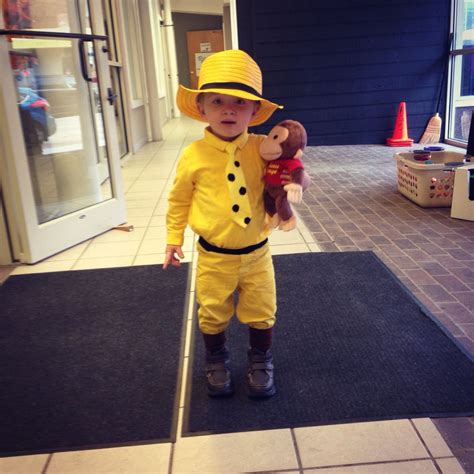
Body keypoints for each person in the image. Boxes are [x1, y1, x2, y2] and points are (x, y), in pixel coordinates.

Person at [163, 49, 295, 399]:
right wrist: (173, 238)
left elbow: (288, 168)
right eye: (218, 101)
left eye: (240, 103)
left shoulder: (261, 148)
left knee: (263, 309)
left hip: (257, 254)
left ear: (254, 112)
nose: (229, 110)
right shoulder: (193, 155)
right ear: (202, 108)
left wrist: (293, 177)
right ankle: (216, 357)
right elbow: (178, 200)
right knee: (211, 310)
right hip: (213, 256)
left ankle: (260, 357)